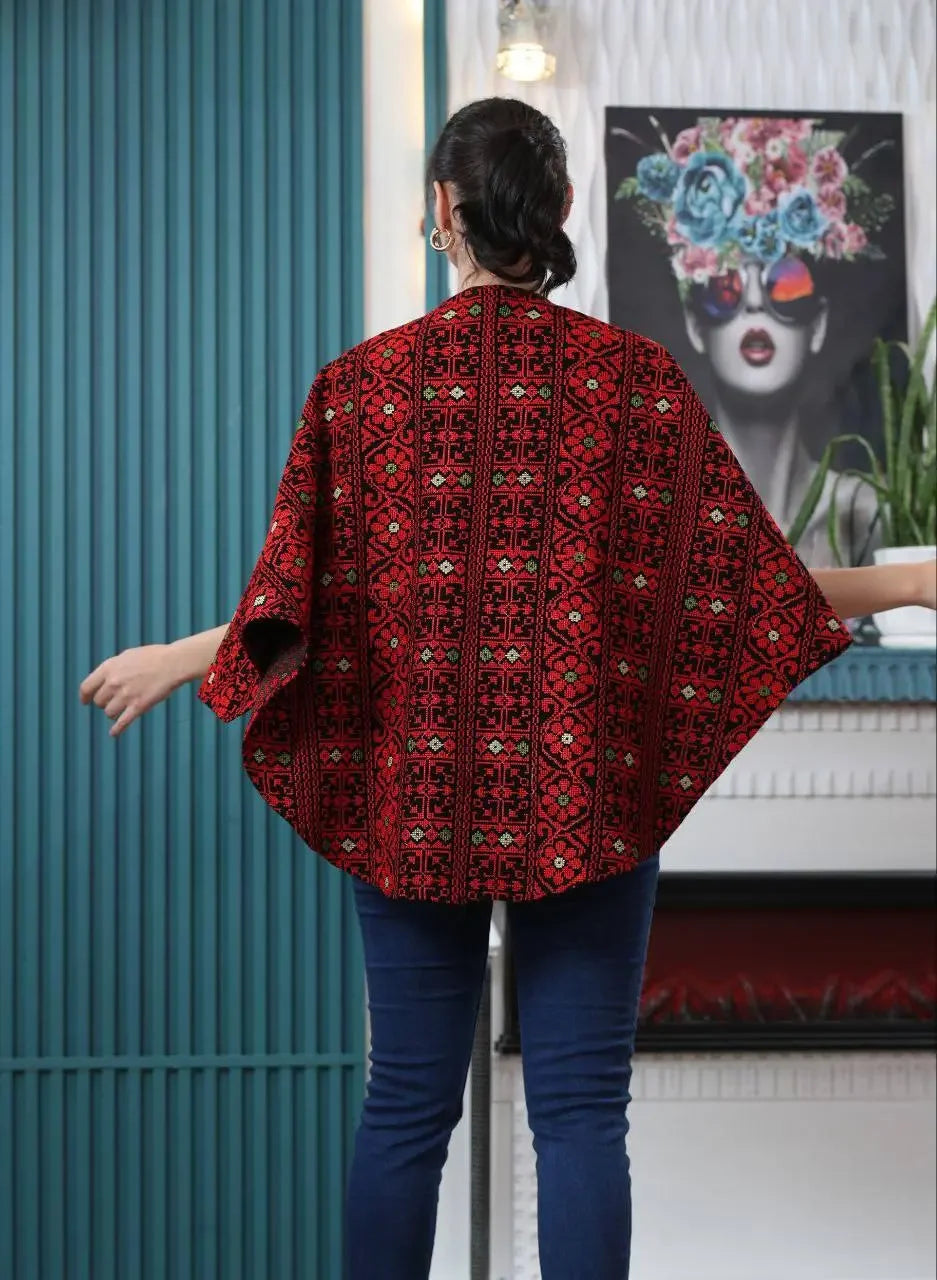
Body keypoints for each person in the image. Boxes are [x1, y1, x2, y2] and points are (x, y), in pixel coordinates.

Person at [79, 98, 936, 1280]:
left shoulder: (362, 394)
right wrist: (914, 578)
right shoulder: (631, 387)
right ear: (566, 210)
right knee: (580, 1113)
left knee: (403, 1111)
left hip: (409, 802)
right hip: (580, 795)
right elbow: (745, 585)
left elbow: (301, 606)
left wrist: (178, 659)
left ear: (443, 212)